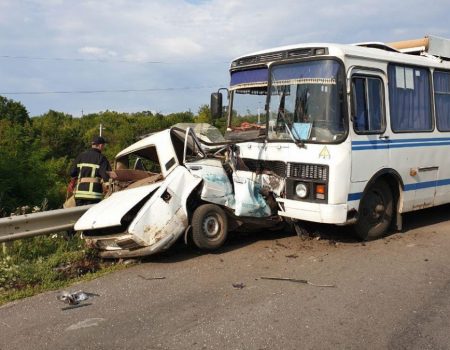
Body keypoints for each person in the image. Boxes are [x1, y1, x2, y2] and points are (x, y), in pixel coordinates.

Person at [69, 136, 112, 206]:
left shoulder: (81, 156)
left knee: (81, 215)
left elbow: (72, 172)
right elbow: (106, 176)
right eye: (103, 145)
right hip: (94, 195)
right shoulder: (102, 158)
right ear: (100, 145)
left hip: (79, 193)